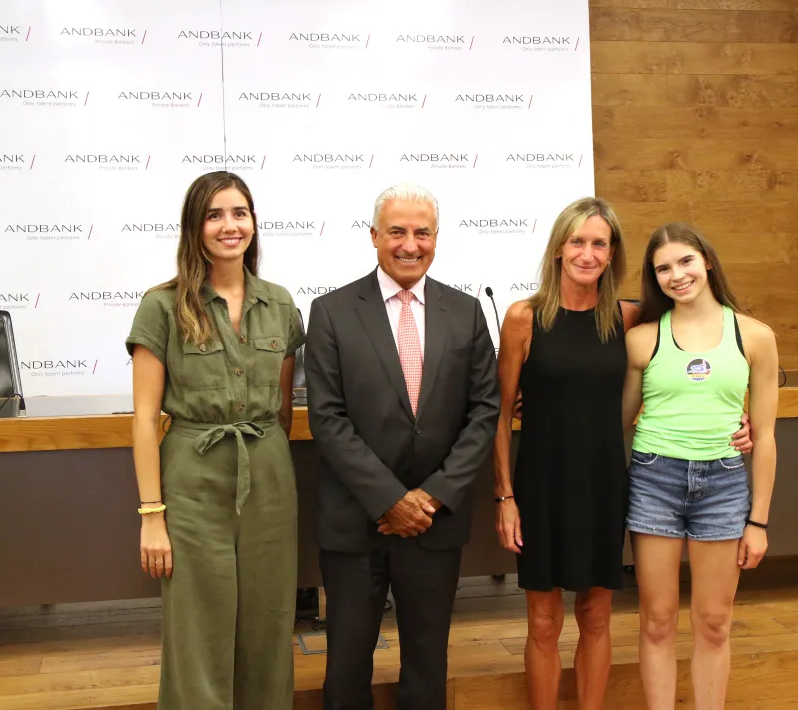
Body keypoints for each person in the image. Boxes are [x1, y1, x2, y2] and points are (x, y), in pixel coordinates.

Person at [494, 199, 752, 710]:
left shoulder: (630, 317)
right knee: (543, 622)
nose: (588, 253)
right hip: (540, 484)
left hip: (605, 484)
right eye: (578, 242)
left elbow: (688, 357)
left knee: (595, 615)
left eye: (600, 243)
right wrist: (505, 496)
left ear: (613, 254)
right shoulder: (523, 319)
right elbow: (500, 415)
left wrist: (737, 420)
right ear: (558, 249)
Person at [304, 183, 499, 710]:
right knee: (346, 662)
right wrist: (391, 500)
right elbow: (327, 418)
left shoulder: (466, 312)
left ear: (436, 238)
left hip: (434, 524)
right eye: (397, 231)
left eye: (422, 232)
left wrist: (429, 498)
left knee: (427, 659)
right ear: (373, 237)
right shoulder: (332, 311)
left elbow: (484, 412)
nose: (410, 244)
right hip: (354, 521)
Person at [126, 171, 305, 710]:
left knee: (270, 623)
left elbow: (281, 407)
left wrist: (271, 460)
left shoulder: (279, 304)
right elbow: (142, 419)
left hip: (269, 479)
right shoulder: (161, 306)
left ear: (254, 222)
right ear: (194, 227)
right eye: (215, 215)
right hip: (192, 481)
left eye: (240, 213)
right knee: (197, 627)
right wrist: (152, 514)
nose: (230, 226)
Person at [621, 222, 778, 710]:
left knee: (714, 622)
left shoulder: (755, 336)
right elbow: (616, 422)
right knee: (658, 620)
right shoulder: (643, 339)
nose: (676, 274)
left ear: (706, 260)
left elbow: (766, 436)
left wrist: (759, 521)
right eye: (663, 268)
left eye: (685, 261)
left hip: (725, 486)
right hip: (654, 480)